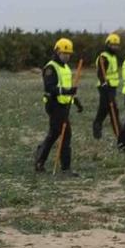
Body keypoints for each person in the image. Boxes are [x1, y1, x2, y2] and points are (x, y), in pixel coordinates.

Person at [34, 37, 82, 173]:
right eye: (64, 53)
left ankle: (40, 158)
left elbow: (68, 88)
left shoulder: (66, 68)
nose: (66, 56)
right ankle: (65, 167)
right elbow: (50, 87)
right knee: (65, 134)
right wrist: (67, 91)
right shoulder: (50, 67)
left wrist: (76, 101)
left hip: (64, 105)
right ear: (57, 52)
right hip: (54, 105)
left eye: (68, 54)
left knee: (54, 134)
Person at [92, 32, 122, 140]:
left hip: (112, 87)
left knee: (105, 109)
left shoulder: (113, 57)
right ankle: (119, 133)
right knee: (113, 109)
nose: (115, 47)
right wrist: (104, 83)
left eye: (116, 45)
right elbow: (100, 73)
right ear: (107, 44)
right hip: (105, 87)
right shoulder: (103, 57)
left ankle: (97, 125)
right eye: (112, 44)